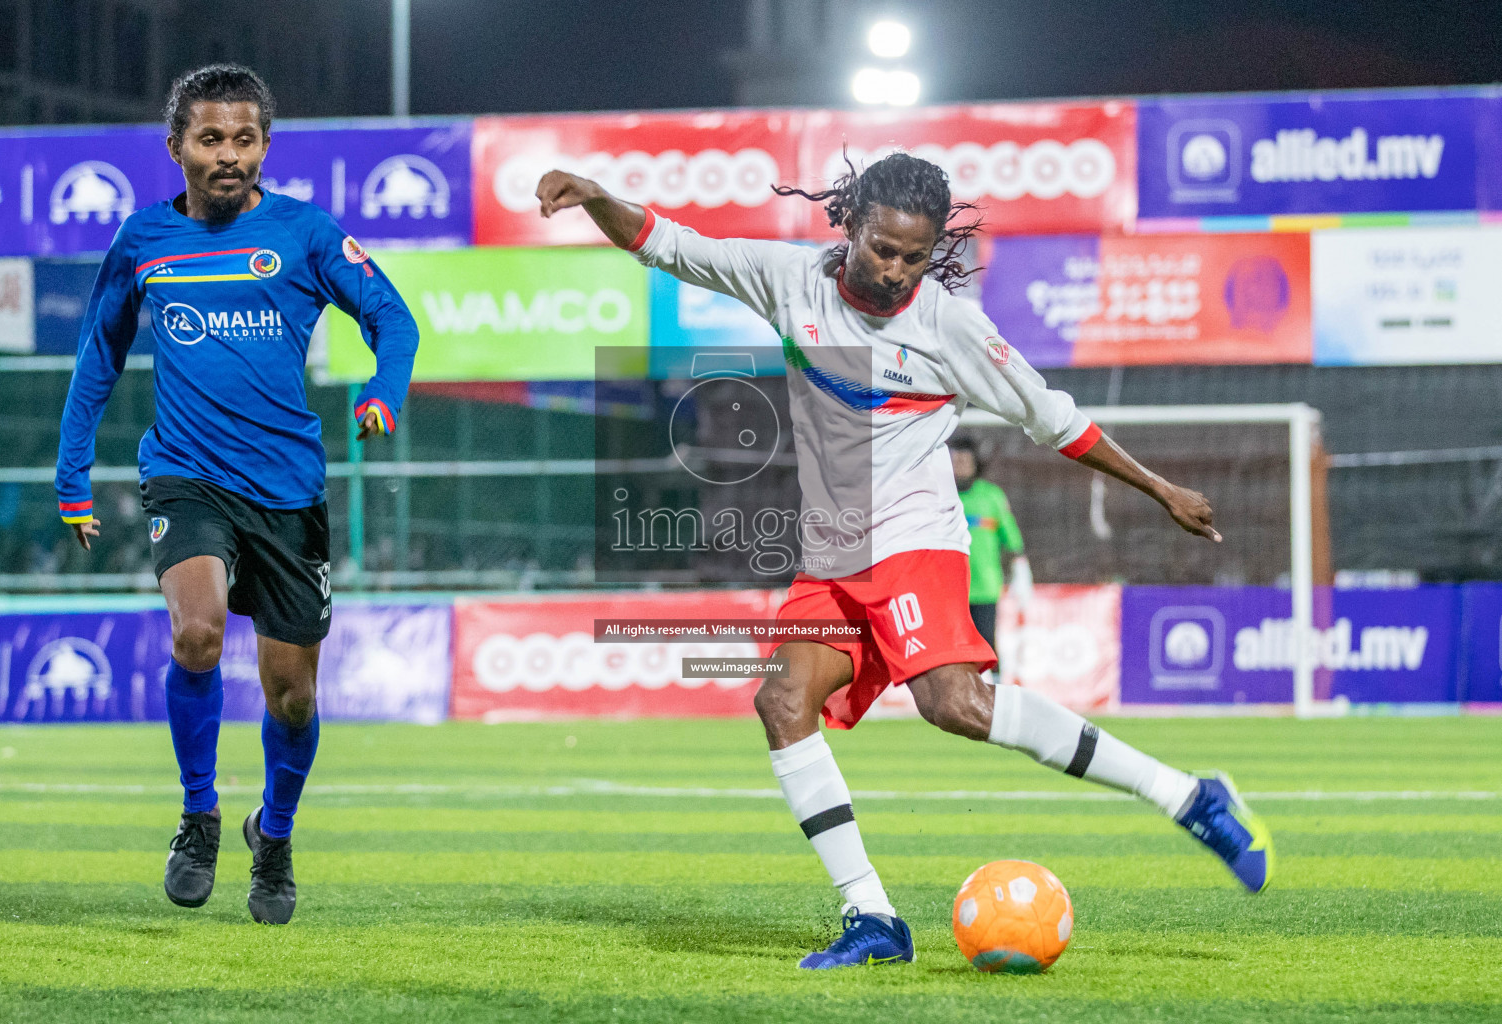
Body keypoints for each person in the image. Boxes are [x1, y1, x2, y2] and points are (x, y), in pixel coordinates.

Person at [535, 152, 1273, 972]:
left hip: (916, 538)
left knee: (953, 705)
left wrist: (1159, 487)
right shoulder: (788, 280)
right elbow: (667, 243)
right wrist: (599, 194)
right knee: (783, 704)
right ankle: (872, 917)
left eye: (913, 257)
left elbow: (1052, 418)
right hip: (832, 549)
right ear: (850, 225)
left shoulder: (950, 327)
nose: (894, 271)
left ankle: (1184, 795)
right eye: (882, 249)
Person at [55, 64, 418, 925]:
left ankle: (275, 834)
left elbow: (393, 319)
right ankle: (198, 816)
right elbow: (97, 357)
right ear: (176, 145)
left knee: (292, 694)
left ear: (264, 146)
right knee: (197, 634)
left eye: (244, 139)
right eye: (210, 138)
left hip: (288, 491)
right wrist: (73, 477)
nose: (228, 155)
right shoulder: (142, 241)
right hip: (187, 475)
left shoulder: (304, 232)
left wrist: (383, 392)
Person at [949, 436, 1031, 652]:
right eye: (956, 462)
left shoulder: (991, 496)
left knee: (986, 646)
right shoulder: (940, 495)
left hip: (984, 587)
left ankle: (991, 684)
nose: (961, 467)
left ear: (976, 463)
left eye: (965, 462)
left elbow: (1010, 533)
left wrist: (1020, 566)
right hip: (949, 590)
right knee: (954, 651)